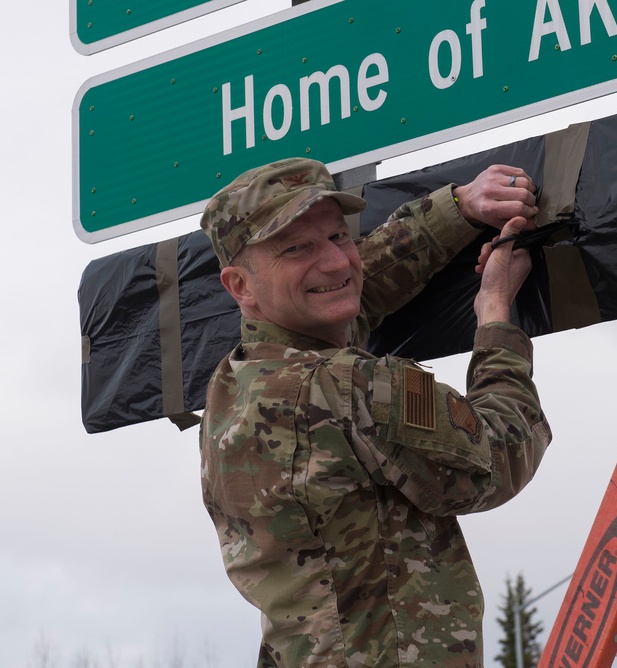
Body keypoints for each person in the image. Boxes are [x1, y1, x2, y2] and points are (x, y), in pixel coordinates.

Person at [198, 157, 553, 667]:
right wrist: (495, 312)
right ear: (241, 287)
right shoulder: (353, 388)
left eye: (339, 237)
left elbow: (349, 296)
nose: (338, 263)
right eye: (296, 248)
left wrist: (457, 208)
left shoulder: (233, 384)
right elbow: (502, 452)